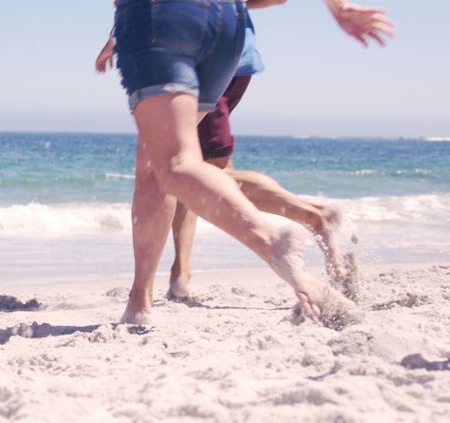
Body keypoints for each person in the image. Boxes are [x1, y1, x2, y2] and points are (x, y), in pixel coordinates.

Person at [94, 0, 393, 325]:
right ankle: (140, 304)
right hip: (226, 25)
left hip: (160, 17)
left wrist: (124, 27)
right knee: (157, 165)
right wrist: (339, 7)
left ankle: (272, 239)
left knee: (176, 163)